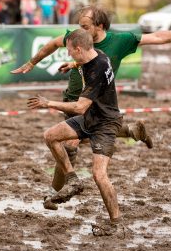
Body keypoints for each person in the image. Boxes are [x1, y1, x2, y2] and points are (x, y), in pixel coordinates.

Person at [11, 4, 171, 211]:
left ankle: (55, 194)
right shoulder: (77, 38)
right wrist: (32, 63)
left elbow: (158, 37)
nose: (81, 31)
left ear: (100, 26)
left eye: (86, 26)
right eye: (80, 26)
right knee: (79, 138)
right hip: (71, 102)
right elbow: (52, 44)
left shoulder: (119, 41)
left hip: (94, 105)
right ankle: (130, 131)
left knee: (70, 145)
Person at [28, 29, 125, 237]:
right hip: (90, 118)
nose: (69, 54)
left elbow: (80, 107)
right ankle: (72, 180)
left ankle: (117, 224)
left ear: (79, 48)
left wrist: (48, 103)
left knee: (99, 175)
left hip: (104, 124)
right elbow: (84, 62)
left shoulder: (97, 69)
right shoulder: (97, 54)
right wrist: (73, 64)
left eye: (70, 52)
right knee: (50, 136)